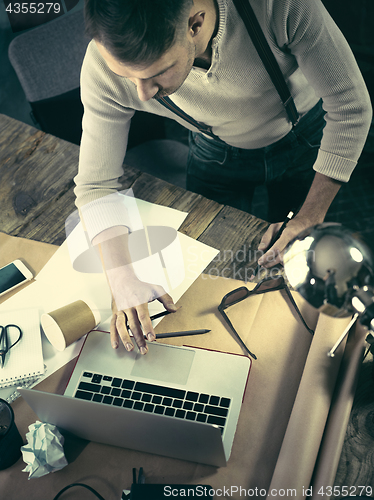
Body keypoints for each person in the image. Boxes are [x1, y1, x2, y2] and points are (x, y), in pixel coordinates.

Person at [74, 0, 372, 354]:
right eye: (128, 76)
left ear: (195, 23)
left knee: (300, 266)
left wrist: (310, 215)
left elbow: (350, 106)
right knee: (211, 274)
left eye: (158, 73)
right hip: (217, 152)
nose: (142, 94)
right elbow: (96, 184)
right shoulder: (102, 65)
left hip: (305, 138)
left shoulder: (280, 6)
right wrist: (121, 279)